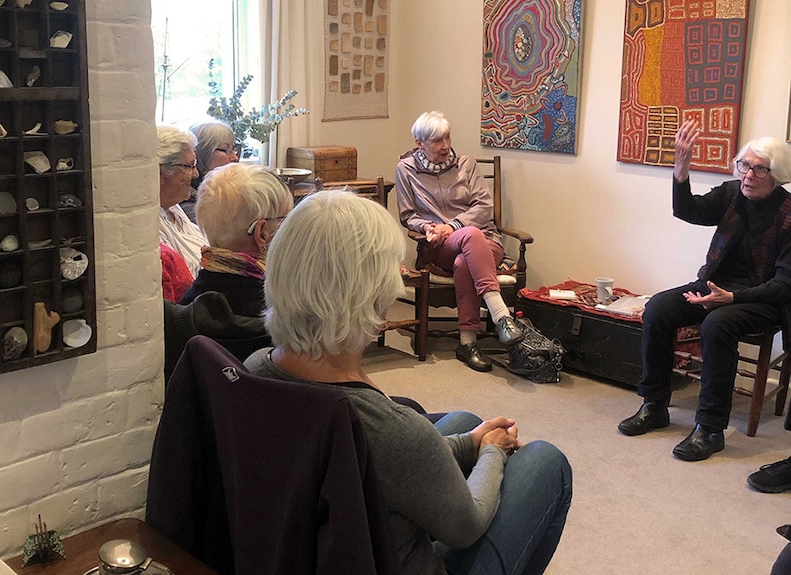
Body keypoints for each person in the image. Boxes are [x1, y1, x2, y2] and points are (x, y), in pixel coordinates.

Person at [245, 189, 572, 574]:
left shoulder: (255, 368)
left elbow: (391, 460)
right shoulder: (384, 428)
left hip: (311, 549)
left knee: (465, 421)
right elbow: (466, 526)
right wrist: (492, 453)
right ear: (375, 294)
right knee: (546, 461)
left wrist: (470, 443)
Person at [618, 119, 791, 461]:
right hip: (713, 285)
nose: (748, 176)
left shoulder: (789, 215)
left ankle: (710, 428)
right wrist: (681, 172)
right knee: (658, 309)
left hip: (762, 297)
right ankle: (654, 404)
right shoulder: (731, 194)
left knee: (717, 324)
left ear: (778, 174)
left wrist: (732, 298)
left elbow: (784, 285)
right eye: (745, 166)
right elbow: (687, 210)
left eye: (759, 169)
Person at [395, 110, 523, 372]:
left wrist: (452, 225)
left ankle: (467, 342)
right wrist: (427, 226)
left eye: (447, 138)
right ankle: (501, 317)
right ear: (419, 143)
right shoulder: (405, 169)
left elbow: (483, 206)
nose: (445, 146)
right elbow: (408, 215)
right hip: (439, 245)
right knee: (469, 237)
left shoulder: (467, 164)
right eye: (436, 141)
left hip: (484, 241)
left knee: (466, 259)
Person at [179, 163, 293, 315]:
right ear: (262, 234)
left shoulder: (190, 302)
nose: (291, 230)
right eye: (286, 220)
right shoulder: (279, 311)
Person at [157, 125, 207, 277]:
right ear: (160, 172)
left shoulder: (173, 208)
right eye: (189, 166)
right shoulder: (150, 226)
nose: (195, 173)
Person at [181, 120, 241, 222]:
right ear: (202, 152)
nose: (235, 157)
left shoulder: (225, 187)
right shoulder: (187, 202)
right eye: (225, 150)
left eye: (234, 149)